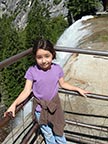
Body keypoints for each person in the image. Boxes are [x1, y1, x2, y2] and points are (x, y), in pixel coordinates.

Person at [4, 39, 89, 144]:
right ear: (35, 57)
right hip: (40, 110)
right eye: (39, 57)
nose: (44, 61)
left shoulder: (57, 69)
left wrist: (77, 88)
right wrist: (14, 104)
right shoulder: (32, 71)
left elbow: (63, 84)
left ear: (52, 54)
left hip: (55, 107)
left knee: (59, 132)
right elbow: (26, 91)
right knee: (48, 134)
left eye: (47, 56)